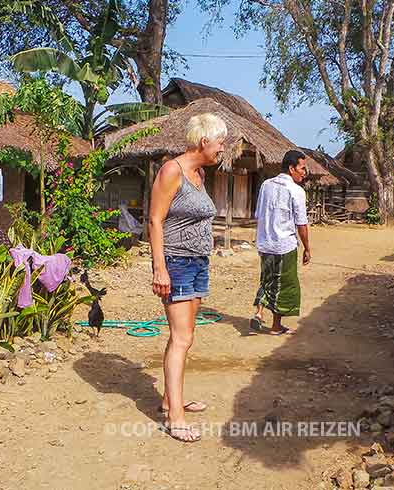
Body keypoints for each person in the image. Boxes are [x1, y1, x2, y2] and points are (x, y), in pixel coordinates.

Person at [148, 112, 225, 443]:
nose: (223, 149)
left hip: (198, 262)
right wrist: (159, 268)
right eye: (221, 143)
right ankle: (175, 417)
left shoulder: (199, 174)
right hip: (176, 262)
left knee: (185, 336)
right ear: (205, 141)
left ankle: (171, 399)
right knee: (181, 338)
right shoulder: (172, 171)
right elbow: (154, 220)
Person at [250, 150, 311, 335]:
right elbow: (301, 223)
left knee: (267, 279)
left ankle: (259, 313)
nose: (304, 172)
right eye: (302, 168)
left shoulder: (266, 185)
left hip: (265, 243)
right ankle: (276, 326)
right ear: (292, 168)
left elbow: (258, 215)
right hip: (285, 245)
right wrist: (307, 248)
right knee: (284, 284)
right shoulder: (296, 191)